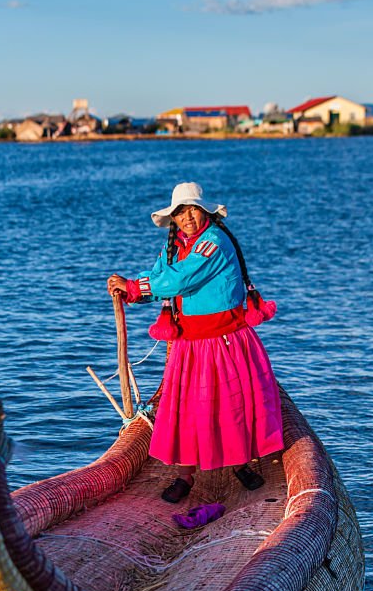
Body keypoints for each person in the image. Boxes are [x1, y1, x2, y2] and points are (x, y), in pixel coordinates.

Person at [107, 181, 284, 508]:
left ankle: (239, 464)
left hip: (225, 340)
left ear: (206, 212)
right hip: (191, 345)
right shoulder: (173, 247)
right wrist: (129, 291)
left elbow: (180, 279)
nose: (187, 217)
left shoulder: (214, 242)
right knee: (187, 410)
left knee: (232, 405)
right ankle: (185, 474)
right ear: (173, 218)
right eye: (180, 212)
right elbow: (161, 278)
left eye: (193, 210)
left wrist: (134, 285)